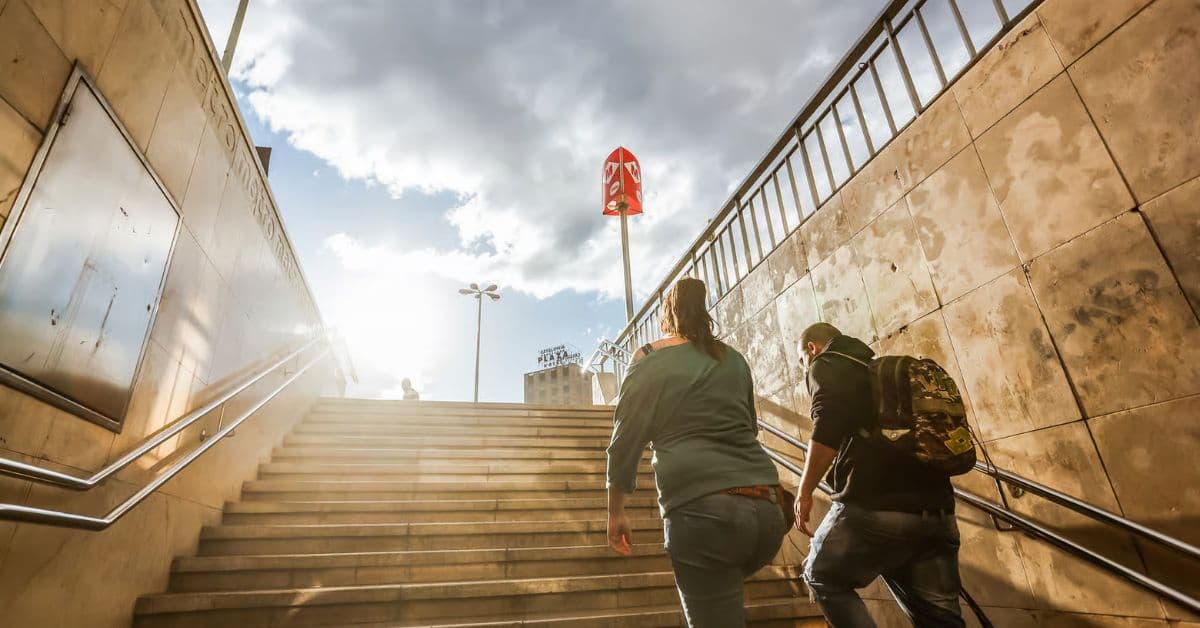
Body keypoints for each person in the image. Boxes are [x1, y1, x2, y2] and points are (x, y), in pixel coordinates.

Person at [606, 277, 787, 628]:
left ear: (667, 317)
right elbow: (749, 425)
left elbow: (625, 440)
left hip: (704, 515)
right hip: (768, 512)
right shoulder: (733, 359)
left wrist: (616, 511)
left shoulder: (650, 359)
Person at [793, 322, 964, 627]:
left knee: (821, 576)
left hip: (874, 508)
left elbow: (826, 428)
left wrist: (804, 492)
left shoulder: (826, 365)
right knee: (941, 618)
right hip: (937, 512)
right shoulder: (875, 372)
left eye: (802, 361)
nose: (803, 369)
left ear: (812, 349)